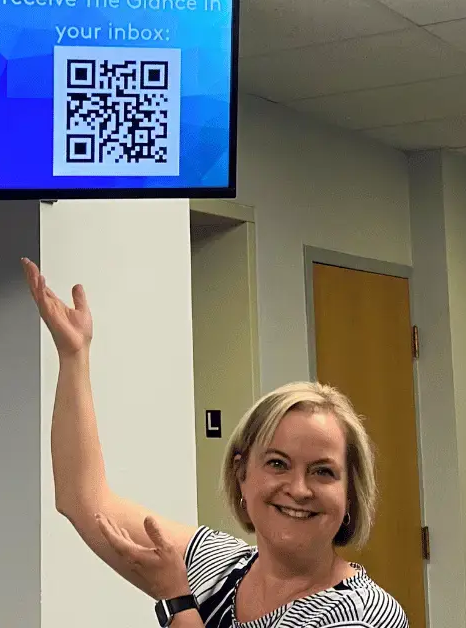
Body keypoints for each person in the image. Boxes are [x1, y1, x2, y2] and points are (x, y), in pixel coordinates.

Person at [22, 258, 410, 628]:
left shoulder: (364, 614)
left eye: (323, 472)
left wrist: (177, 601)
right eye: (277, 463)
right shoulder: (221, 566)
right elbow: (84, 500)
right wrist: (74, 356)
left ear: (350, 495)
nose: (298, 488)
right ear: (242, 474)